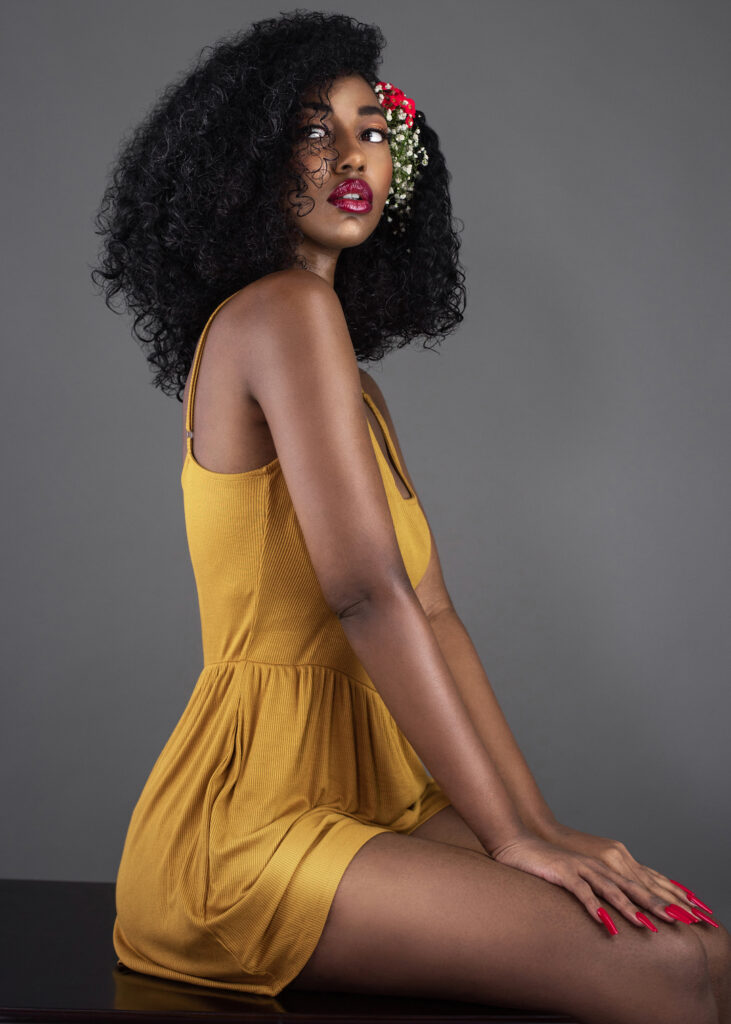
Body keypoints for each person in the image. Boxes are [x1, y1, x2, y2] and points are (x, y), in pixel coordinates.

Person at [91, 10, 731, 1022]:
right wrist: (511, 841)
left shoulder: (344, 372)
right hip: (245, 832)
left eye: (373, 130)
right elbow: (364, 593)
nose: (353, 154)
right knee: (680, 969)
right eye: (314, 128)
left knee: (691, 941)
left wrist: (537, 823)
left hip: (358, 796)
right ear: (246, 162)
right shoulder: (280, 314)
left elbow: (432, 615)